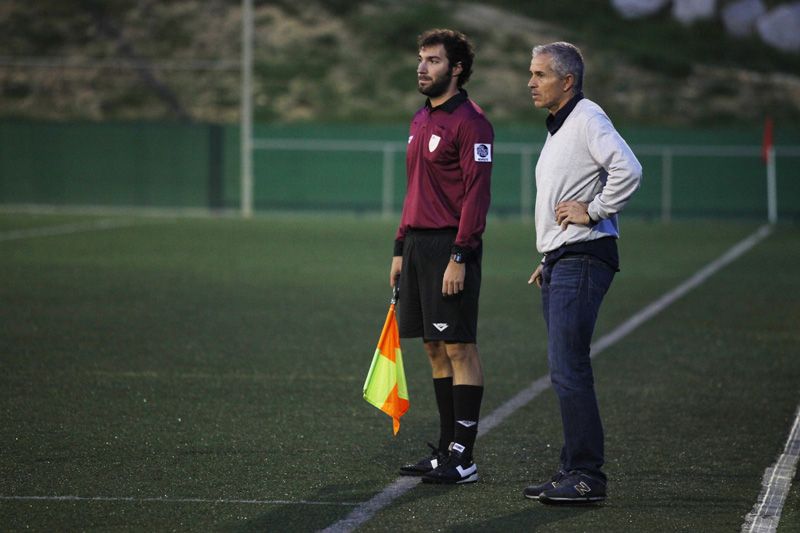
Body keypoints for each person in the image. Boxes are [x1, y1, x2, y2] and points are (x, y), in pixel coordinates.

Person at [523, 42, 642, 504]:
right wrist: (549, 255)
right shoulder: (560, 126)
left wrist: (593, 211)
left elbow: (628, 169)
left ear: (567, 80)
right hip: (563, 258)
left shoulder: (588, 117)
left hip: (584, 256)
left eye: (540, 74)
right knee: (563, 368)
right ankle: (571, 469)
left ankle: (588, 476)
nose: (531, 83)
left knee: (569, 367)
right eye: (531, 73)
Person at [390, 28, 493, 485]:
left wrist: (460, 255)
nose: (421, 67)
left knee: (459, 346)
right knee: (433, 347)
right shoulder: (420, 119)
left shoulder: (472, 122)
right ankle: (446, 448)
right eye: (420, 58)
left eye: (432, 60)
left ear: (456, 68)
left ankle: (464, 458)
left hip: (451, 245)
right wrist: (399, 248)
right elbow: (414, 190)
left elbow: (477, 195)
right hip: (416, 247)